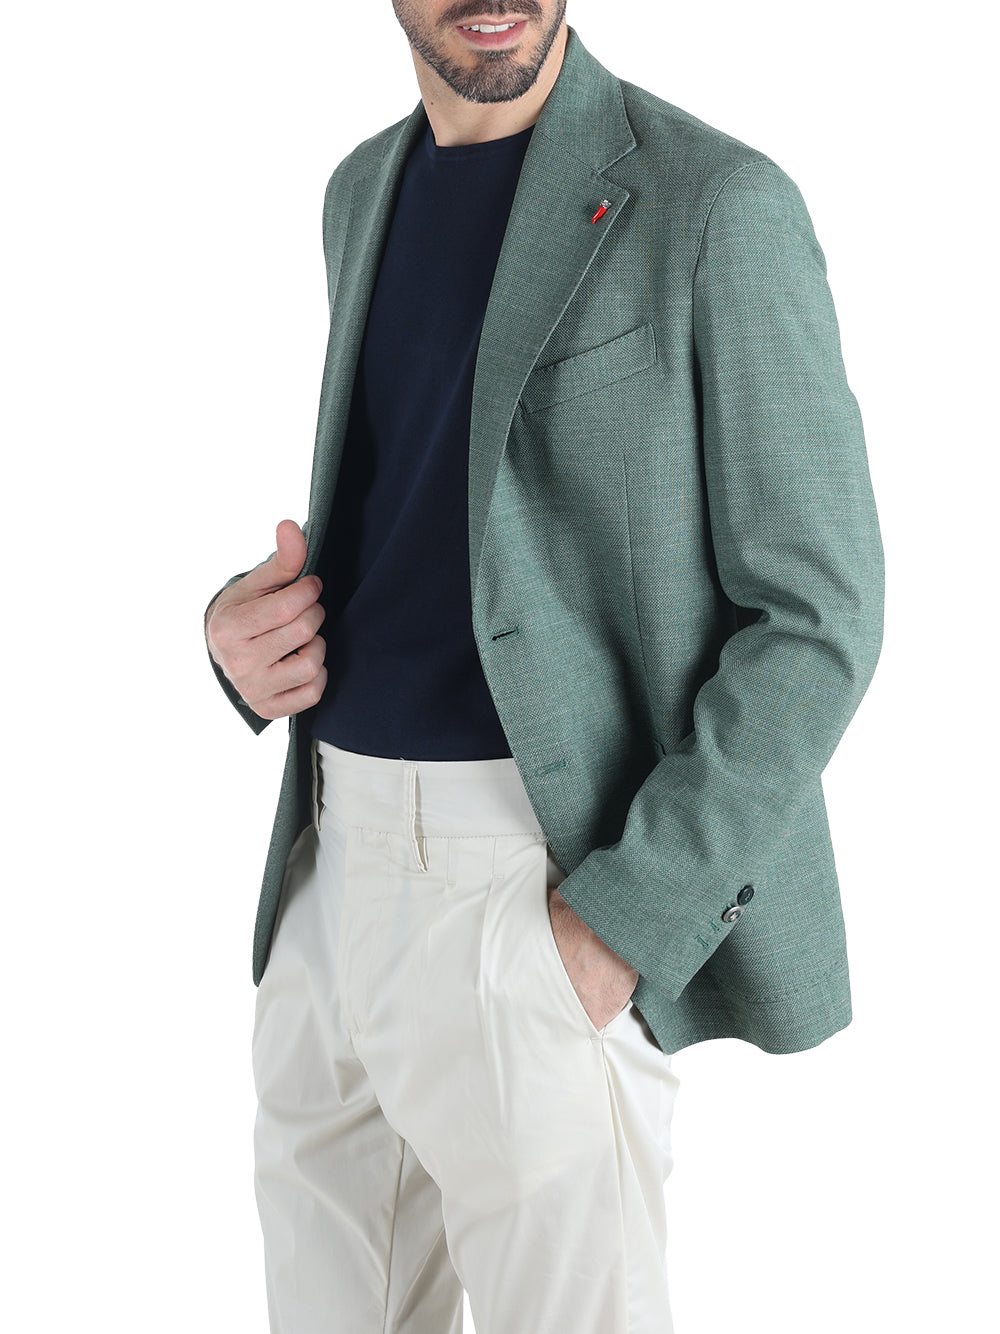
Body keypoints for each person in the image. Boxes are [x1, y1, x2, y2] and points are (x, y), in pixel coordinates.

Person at [204, 4, 885, 1331]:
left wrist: (622, 924)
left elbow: (819, 614)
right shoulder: (361, 189)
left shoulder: (716, 203)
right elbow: (430, 522)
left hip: (532, 883)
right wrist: (245, 632)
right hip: (328, 875)